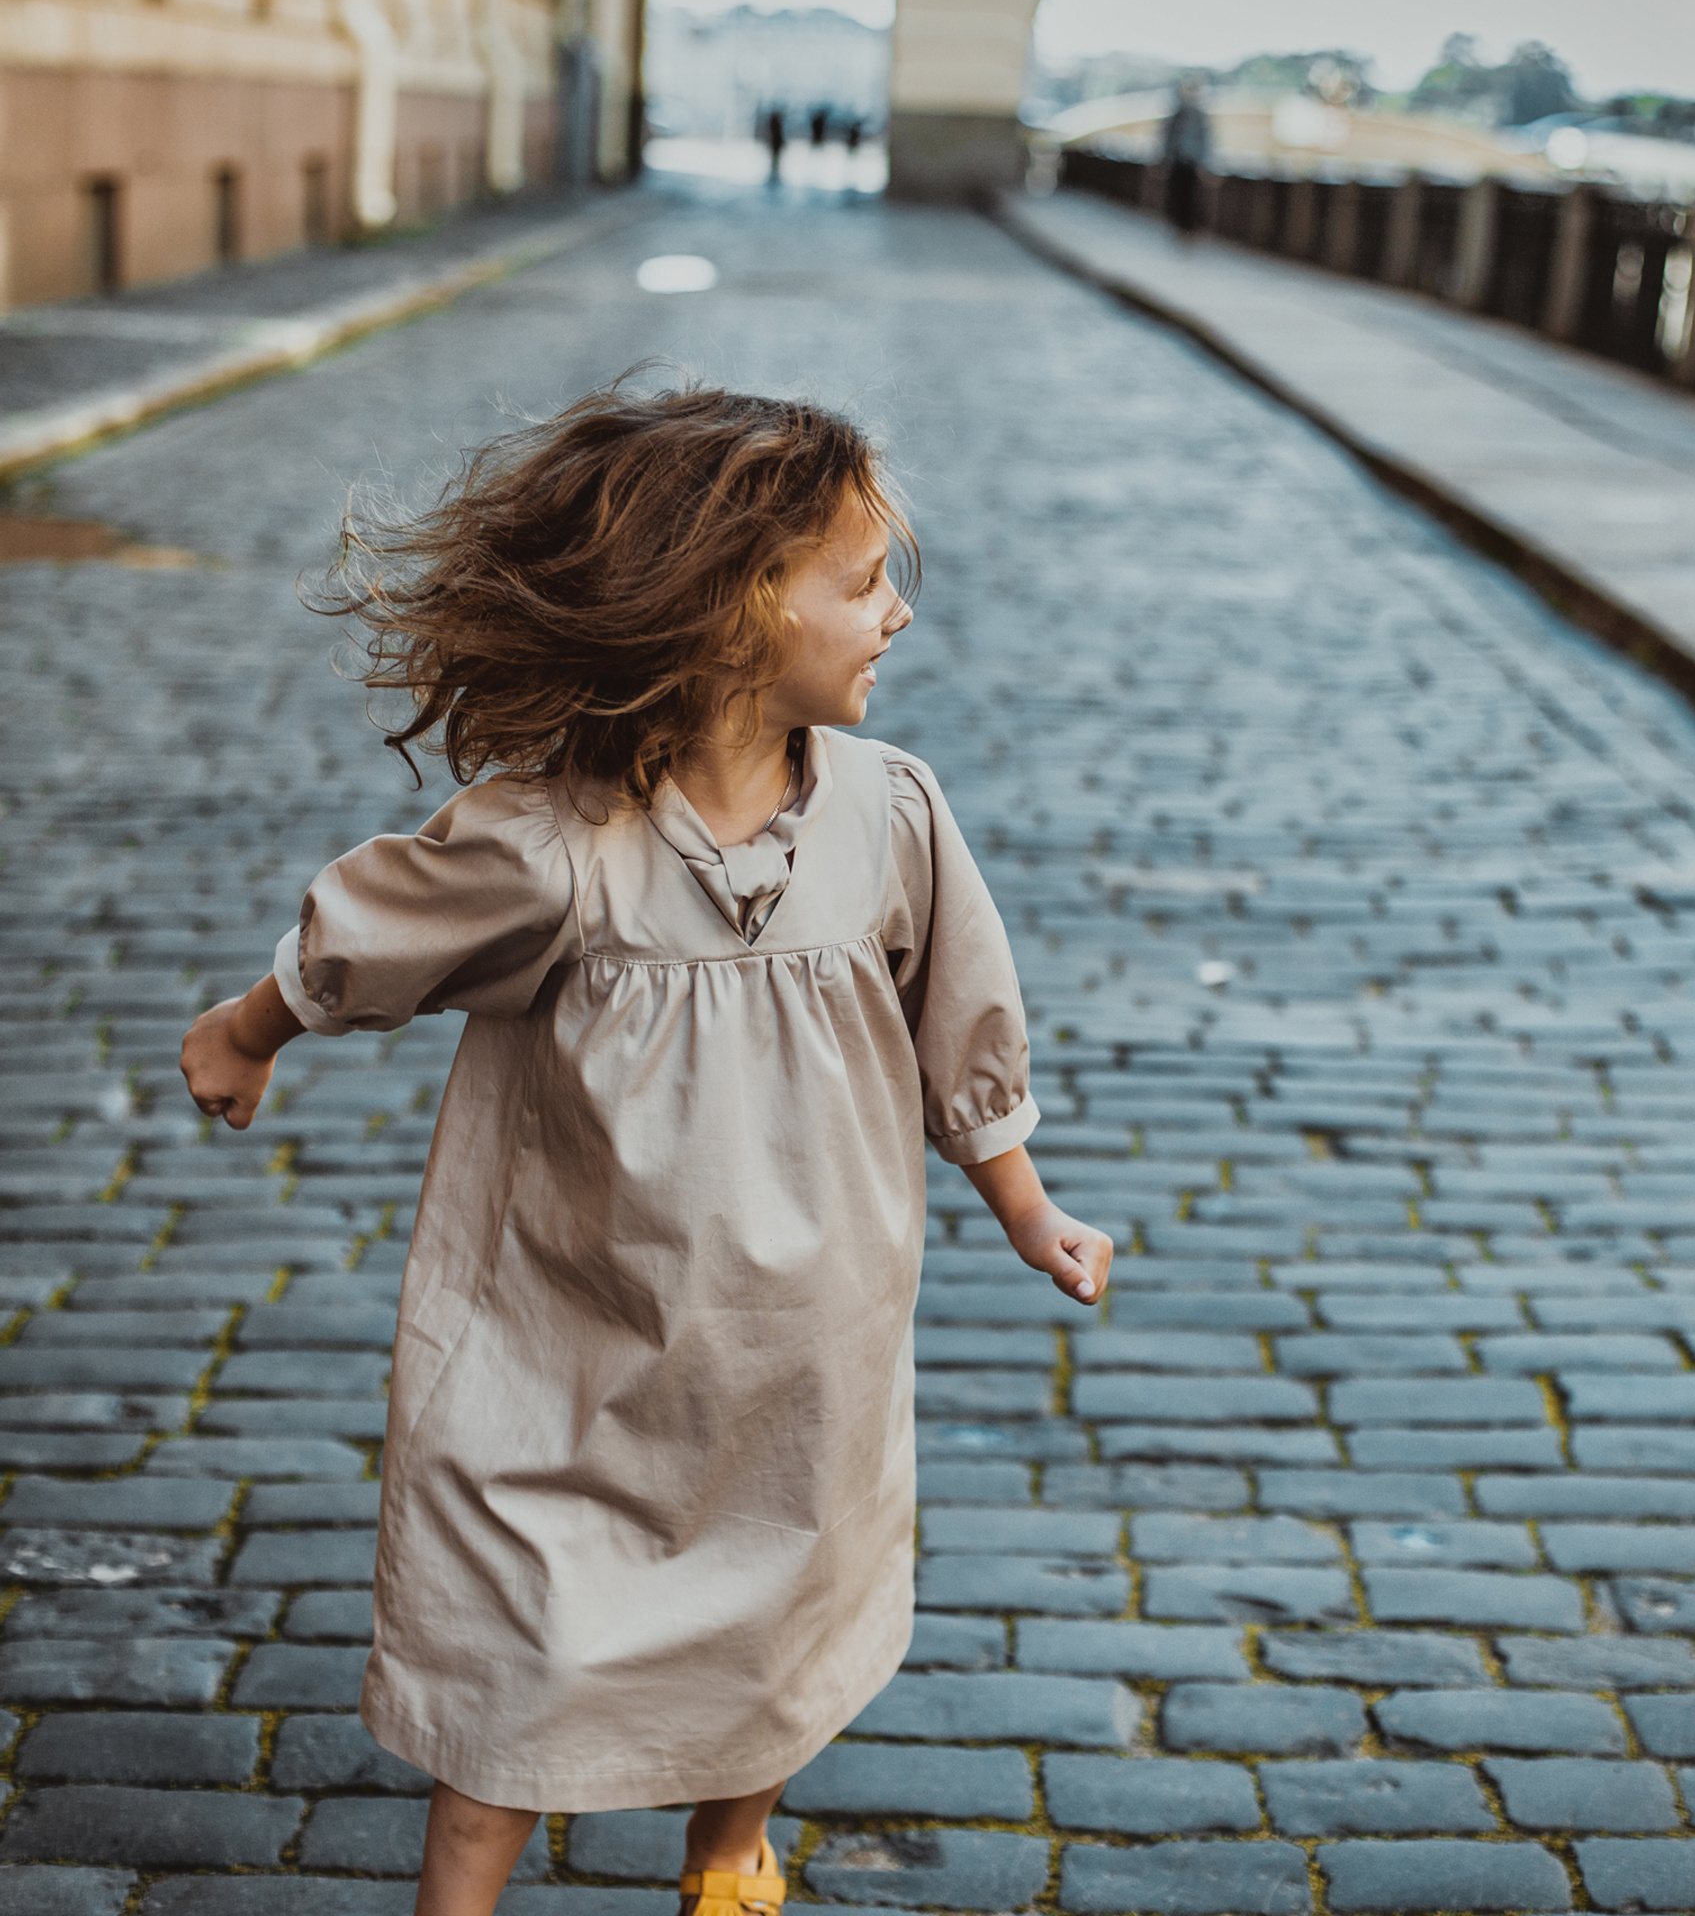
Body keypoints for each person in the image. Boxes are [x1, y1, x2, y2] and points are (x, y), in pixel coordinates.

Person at [178, 386, 1113, 1916]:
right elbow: (379, 930)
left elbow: (964, 1014)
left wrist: (1025, 1202)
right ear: (740, 613)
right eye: (865, 582)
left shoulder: (889, 815)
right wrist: (250, 1026)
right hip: (574, 1339)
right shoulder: (560, 844)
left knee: (782, 1608)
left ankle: (729, 1853)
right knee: (518, 1637)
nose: (893, 617)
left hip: (808, 1336)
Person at [1162, 77, 1211, 238]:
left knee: (1190, 194)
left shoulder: (1200, 116)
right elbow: (1167, 139)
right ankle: (1178, 222)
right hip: (1178, 160)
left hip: (1192, 162)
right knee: (1176, 193)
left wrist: (1205, 164)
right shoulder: (1177, 114)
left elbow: (1207, 142)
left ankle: (1186, 224)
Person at [763, 106, 785, 182]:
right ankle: (775, 167)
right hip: (775, 144)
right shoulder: (776, 125)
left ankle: (775, 167)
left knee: (775, 157)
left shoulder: (774, 125)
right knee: (775, 157)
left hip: (776, 144)